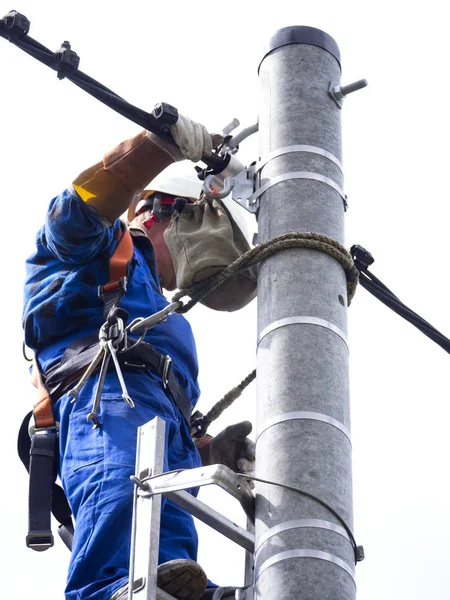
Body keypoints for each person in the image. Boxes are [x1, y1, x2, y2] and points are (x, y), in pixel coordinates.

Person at [23, 114, 255, 600]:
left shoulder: (163, 312)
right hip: (100, 399)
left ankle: (174, 586)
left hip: (154, 417)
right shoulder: (102, 247)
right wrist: (156, 149)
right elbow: (75, 210)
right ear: (164, 212)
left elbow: (159, 402)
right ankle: (111, 588)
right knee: (122, 488)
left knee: (167, 517)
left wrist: (211, 453)